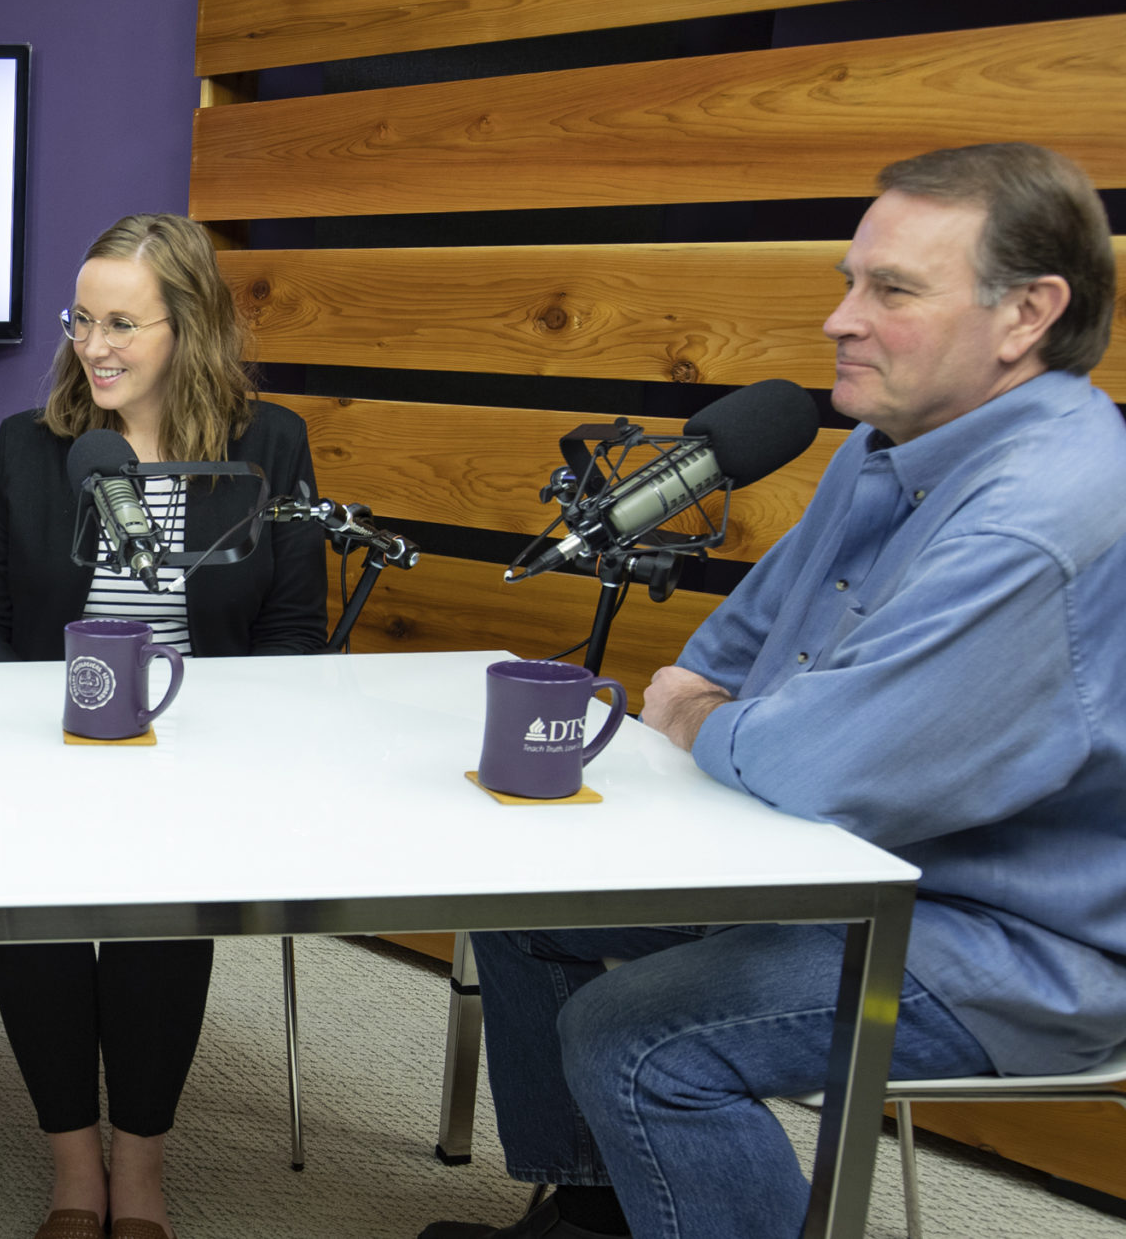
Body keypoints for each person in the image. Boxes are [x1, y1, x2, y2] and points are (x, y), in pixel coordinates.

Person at [419, 143, 1126, 1239]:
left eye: (889, 289)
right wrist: (730, 713)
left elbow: (815, 763)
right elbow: (724, 646)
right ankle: (602, 1213)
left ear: (1027, 312)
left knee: (633, 1033)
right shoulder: (885, 439)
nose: (840, 319)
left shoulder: (1039, 515)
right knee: (524, 898)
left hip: (995, 940)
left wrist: (715, 721)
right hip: (830, 866)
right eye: (848, 280)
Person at [0, 213, 327, 1239]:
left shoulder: (269, 443)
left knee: (162, 910)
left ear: (188, 326)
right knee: (32, 907)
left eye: (123, 322)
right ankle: (75, 1167)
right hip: (48, 752)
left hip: (198, 762)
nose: (94, 345)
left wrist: (209, 734)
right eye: (81, 319)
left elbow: (296, 633)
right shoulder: (32, 449)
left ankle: (142, 1170)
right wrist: (37, 723)